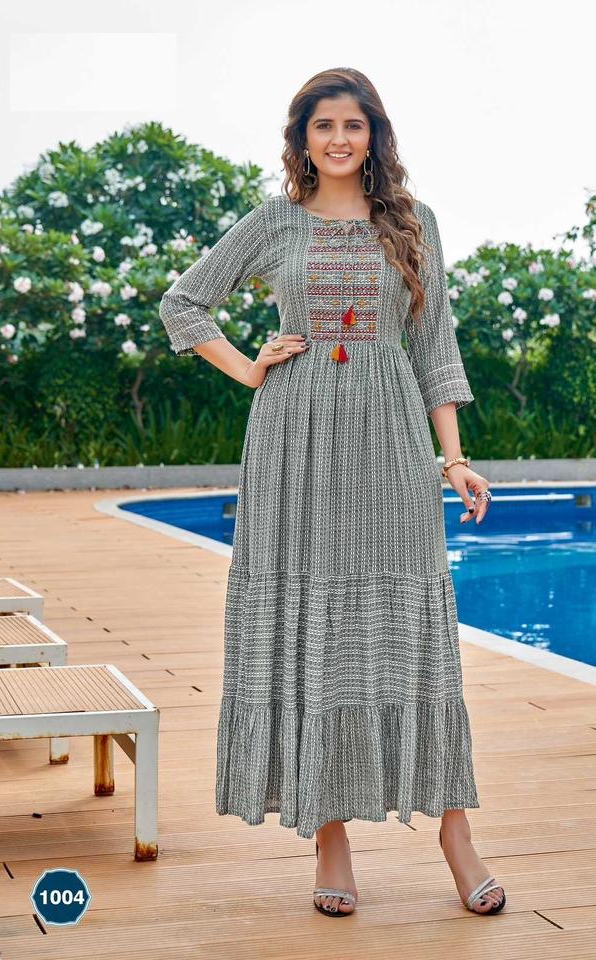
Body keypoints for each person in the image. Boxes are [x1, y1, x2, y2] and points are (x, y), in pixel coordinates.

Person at [159, 67, 504, 919]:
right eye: (324, 126)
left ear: (374, 135)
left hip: (391, 438)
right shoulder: (274, 223)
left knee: (413, 629)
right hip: (295, 441)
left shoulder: (413, 224)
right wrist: (249, 368)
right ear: (303, 140)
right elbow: (184, 302)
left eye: (354, 125)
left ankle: (455, 832)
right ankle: (331, 835)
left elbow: (435, 347)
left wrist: (453, 460)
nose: (340, 139)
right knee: (312, 623)